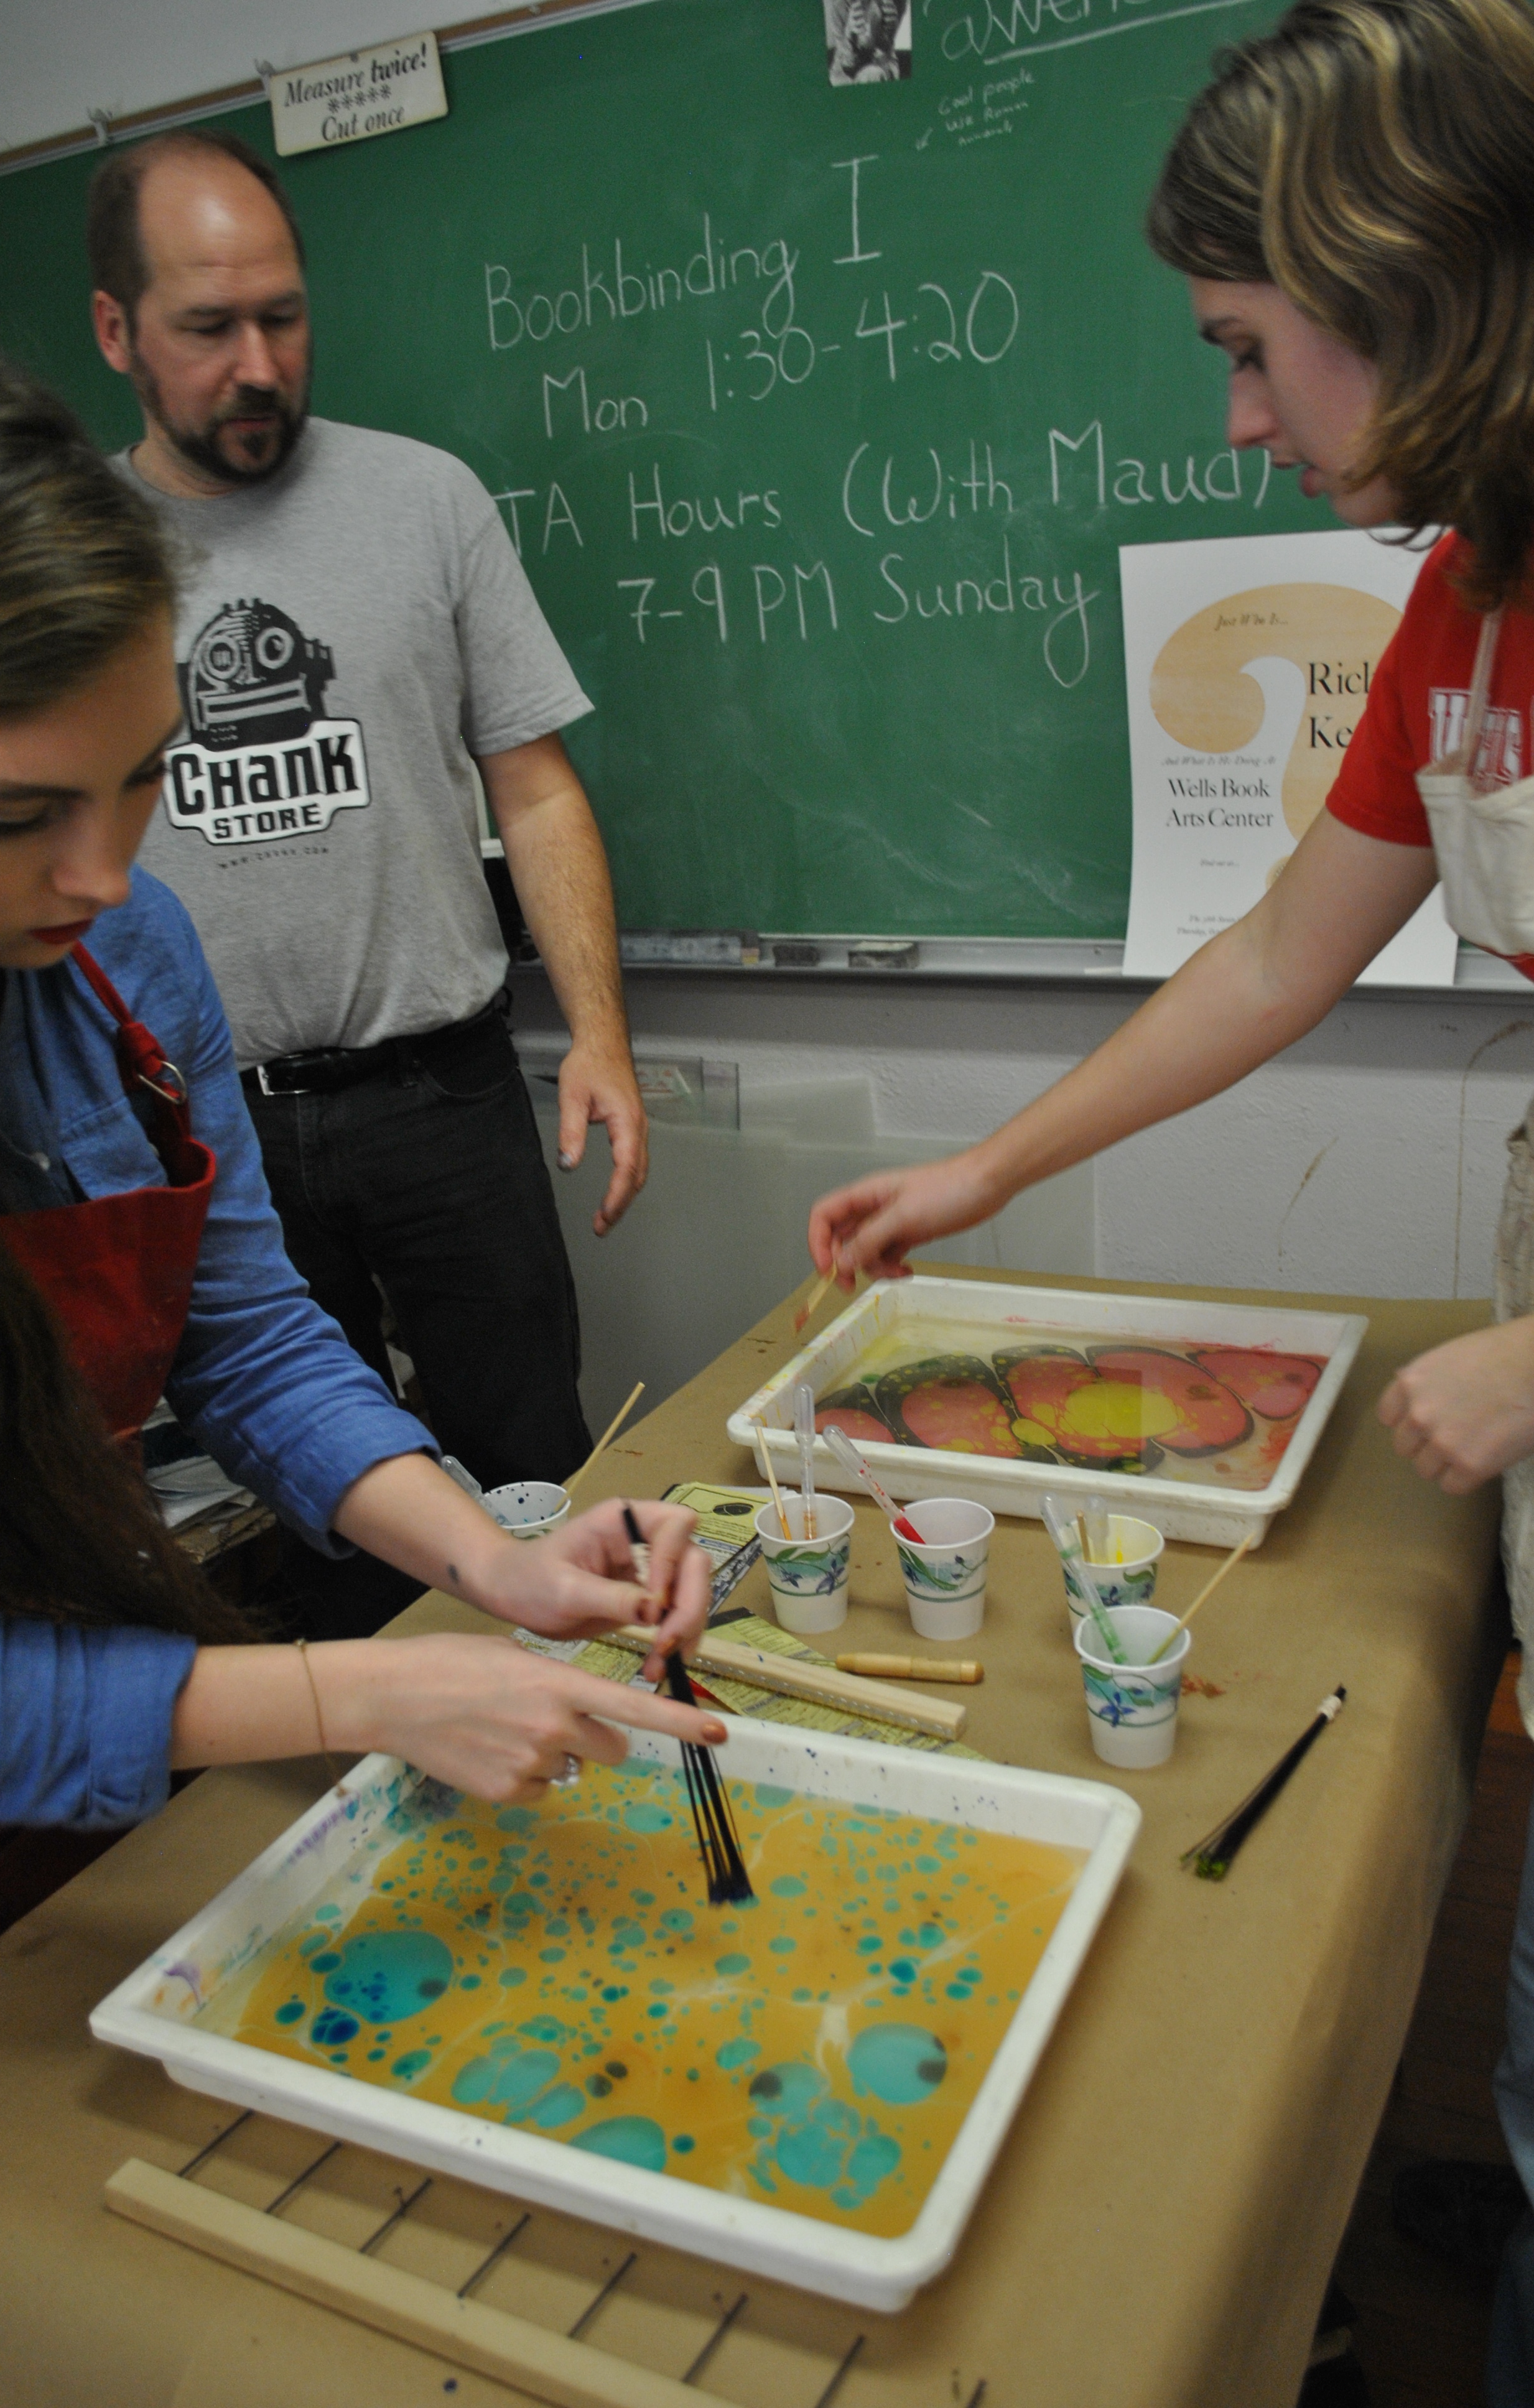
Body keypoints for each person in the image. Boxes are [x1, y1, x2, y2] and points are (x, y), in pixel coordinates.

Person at [806, 0, 1534, 2393]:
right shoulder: (1470, 596)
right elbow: (1278, 953)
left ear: (1410, 278)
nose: (1235, 419)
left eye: (1246, 345)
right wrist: (987, 1166)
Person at [0, 329, 719, 1929]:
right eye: (17, 816)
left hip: (109, 1744)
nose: (104, 874)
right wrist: (353, 1691)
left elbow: (247, 1337)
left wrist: (491, 1558)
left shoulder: (129, 953)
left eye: (143, 778)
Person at [85, 127, 649, 1633]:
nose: (259, 365)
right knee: (319, 1528)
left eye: (284, 316)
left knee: (530, 1469)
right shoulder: (63, 552)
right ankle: (379, 1739)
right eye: (210, 327)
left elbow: (535, 785)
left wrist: (601, 1036)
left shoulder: (424, 500)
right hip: (204, 1129)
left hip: (439, 1093)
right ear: (116, 330)